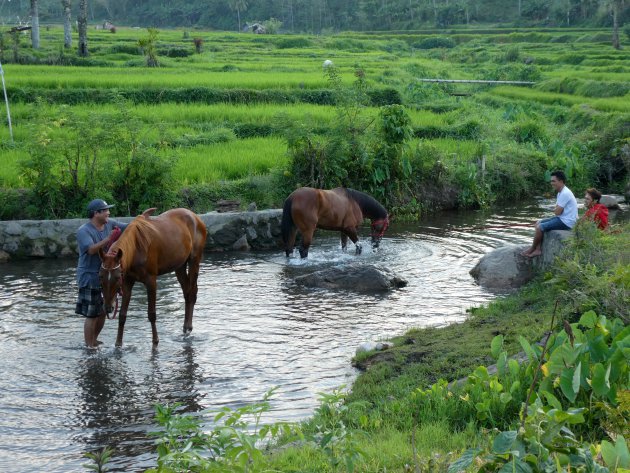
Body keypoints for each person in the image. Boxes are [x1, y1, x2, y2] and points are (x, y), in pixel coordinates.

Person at [75, 199, 127, 348]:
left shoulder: (110, 223)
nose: (108, 213)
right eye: (105, 210)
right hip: (89, 277)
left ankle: (94, 340)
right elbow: (91, 250)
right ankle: (89, 346)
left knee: (103, 311)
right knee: (92, 314)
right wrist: (109, 238)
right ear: (96, 213)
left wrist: (142, 219)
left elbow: (129, 227)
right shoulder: (83, 231)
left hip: (106, 278)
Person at [521, 170, 578, 258]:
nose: (551, 183)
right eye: (551, 181)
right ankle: (537, 249)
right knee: (537, 223)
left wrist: (555, 210)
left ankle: (532, 248)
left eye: (553, 181)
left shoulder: (565, 193)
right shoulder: (560, 192)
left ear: (561, 181)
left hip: (567, 222)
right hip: (562, 218)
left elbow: (558, 212)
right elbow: (558, 211)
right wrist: (556, 210)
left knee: (540, 227)